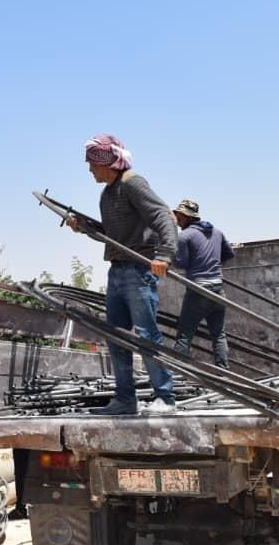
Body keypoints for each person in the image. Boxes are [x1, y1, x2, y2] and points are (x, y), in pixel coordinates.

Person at [72, 134, 178, 415]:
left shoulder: (133, 183)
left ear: (107, 162)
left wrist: (164, 254)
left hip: (138, 270)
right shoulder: (107, 193)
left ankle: (165, 399)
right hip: (117, 270)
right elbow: (112, 236)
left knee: (146, 335)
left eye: (92, 164)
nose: (90, 170)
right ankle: (125, 400)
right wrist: (83, 227)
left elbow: (164, 216)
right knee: (116, 337)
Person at [170, 199, 235, 368]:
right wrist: (212, 265)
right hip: (218, 289)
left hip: (198, 290)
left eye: (180, 216)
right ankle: (224, 374)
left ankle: (178, 377)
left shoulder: (185, 236)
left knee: (184, 335)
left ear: (187, 217)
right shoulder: (217, 232)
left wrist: (170, 256)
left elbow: (181, 263)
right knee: (219, 335)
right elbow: (229, 254)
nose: (177, 220)